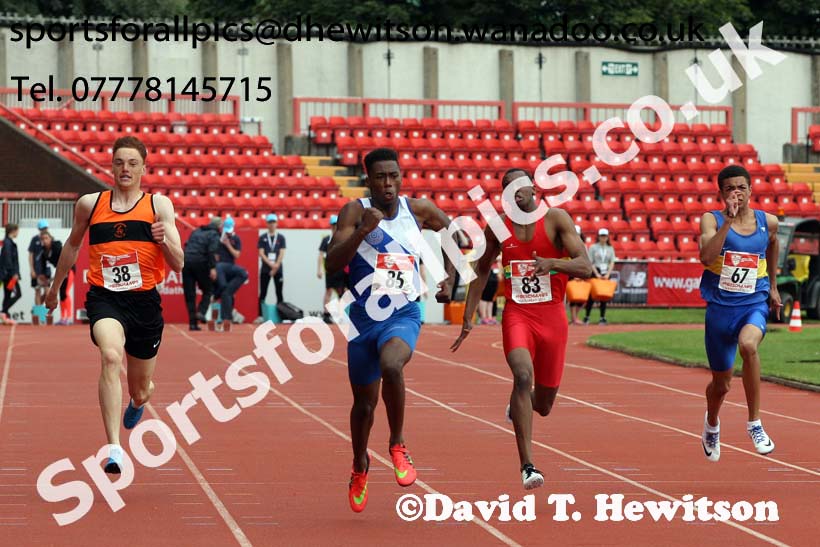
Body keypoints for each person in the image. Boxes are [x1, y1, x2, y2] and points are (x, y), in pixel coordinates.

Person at [325, 147, 456, 513]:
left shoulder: (419, 210)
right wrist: (362, 232)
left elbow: (452, 233)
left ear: (401, 176)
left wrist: (450, 278)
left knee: (392, 364)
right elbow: (333, 261)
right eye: (381, 177)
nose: (388, 184)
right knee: (363, 406)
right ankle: (359, 464)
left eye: (394, 176)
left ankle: (398, 444)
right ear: (368, 179)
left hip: (404, 312)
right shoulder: (354, 211)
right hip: (362, 318)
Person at [45, 135, 184, 474]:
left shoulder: (159, 206)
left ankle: (139, 400)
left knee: (140, 389)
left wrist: (163, 242)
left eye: (133, 163)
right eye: (120, 162)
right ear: (112, 165)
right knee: (110, 356)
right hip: (105, 297)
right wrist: (55, 288)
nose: (126, 169)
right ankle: (114, 449)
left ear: (143, 168)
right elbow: (73, 247)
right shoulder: (90, 204)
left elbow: (179, 263)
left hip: (144, 303)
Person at [451, 168, 593, 490]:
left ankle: (521, 404)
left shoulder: (556, 219)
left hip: (553, 318)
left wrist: (553, 263)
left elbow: (586, 266)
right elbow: (483, 267)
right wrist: (468, 315)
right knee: (522, 374)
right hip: (518, 315)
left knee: (542, 404)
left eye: (519, 186)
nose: (513, 192)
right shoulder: (498, 226)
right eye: (505, 188)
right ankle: (527, 466)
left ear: (533, 188)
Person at [698, 164, 781, 462]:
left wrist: (772, 285)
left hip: (753, 303)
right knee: (721, 385)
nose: (737, 192)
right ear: (721, 193)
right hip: (720, 310)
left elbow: (773, 242)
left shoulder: (767, 221)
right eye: (730, 188)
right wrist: (727, 223)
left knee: (749, 345)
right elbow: (706, 258)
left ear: (750, 190)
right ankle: (711, 423)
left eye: (741, 187)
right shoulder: (711, 220)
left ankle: (754, 423)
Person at [182, 218, 222, 330]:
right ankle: (201, 311)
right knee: (208, 290)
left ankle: (192, 323)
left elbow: (187, 245)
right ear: (219, 227)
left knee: (190, 294)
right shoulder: (214, 234)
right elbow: (211, 251)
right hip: (200, 262)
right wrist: (213, 267)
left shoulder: (196, 231)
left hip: (186, 261)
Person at [213, 216, 248, 326]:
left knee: (227, 292)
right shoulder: (218, 238)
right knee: (226, 293)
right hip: (220, 269)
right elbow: (215, 256)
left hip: (230, 268)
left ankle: (227, 316)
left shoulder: (236, 239)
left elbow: (237, 254)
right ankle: (225, 318)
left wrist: (227, 244)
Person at [38, 231, 75, 325]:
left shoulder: (56, 246)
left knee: (65, 292)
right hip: (60, 272)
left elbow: (64, 259)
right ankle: (63, 318)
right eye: (42, 239)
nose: (44, 240)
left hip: (69, 269)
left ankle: (69, 318)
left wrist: (65, 272)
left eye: (46, 238)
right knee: (61, 294)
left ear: (51, 238)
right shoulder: (44, 252)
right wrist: (43, 277)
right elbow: (43, 265)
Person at [255, 213, 286, 323]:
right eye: (270, 222)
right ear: (267, 224)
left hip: (278, 269)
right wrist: (271, 265)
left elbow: (282, 253)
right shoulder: (263, 238)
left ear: (277, 223)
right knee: (263, 292)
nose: (272, 224)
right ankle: (260, 315)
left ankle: (281, 316)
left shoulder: (281, 237)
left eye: (273, 222)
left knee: (279, 293)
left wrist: (276, 265)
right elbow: (261, 253)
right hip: (266, 269)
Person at [583, 228, 616, 325]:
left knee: (604, 296)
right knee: (591, 296)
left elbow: (612, 262)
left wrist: (608, 274)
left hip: (606, 272)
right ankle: (587, 316)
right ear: (598, 236)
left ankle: (602, 317)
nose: (603, 238)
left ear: (607, 237)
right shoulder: (593, 247)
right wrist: (596, 274)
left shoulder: (610, 248)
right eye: (602, 236)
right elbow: (590, 261)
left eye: (605, 236)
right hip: (596, 271)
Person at [318, 215, 346, 323]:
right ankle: (326, 314)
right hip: (330, 269)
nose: (335, 227)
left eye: (336, 225)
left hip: (341, 269)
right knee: (328, 291)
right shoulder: (326, 239)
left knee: (342, 293)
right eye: (333, 225)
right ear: (331, 226)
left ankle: (339, 314)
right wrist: (319, 270)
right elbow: (320, 255)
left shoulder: (343, 238)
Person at [1, 223, 22, 324]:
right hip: (10, 276)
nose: (18, 232)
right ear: (13, 231)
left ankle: (5, 315)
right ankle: (3, 311)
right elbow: (8, 260)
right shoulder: (8, 243)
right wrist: (14, 273)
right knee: (18, 293)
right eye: (17, 230)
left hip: (7, 274)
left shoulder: (8, 243)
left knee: (8, 295)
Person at [29, 219, 50, 307]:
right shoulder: (35, 239)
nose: (44, 230)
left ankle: (40, 310)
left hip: (46, 270)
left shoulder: (50, 238)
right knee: (37, 291)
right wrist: (32, 270)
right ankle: (39, 315)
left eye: (45, 228)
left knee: (47, 292)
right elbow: (30, 255)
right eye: (42, 228)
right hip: (37, 270)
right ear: (39, 229)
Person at [568, 225, 586, 325]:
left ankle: (575, 317)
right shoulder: (567, 244)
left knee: (581, 296)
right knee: (572, 297)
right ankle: (573, 318)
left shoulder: (583, 246)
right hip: (571, 272)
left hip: (580, 272)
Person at [477, 253, 502, 325]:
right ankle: (483, 317)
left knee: (491, 298)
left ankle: (490, 317)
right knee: (484, 297)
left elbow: (499, 261)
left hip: (494, 274)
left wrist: (500, 273)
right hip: (486, 273)